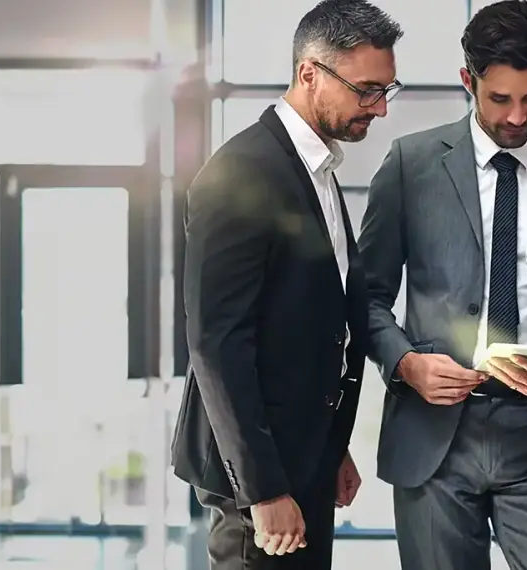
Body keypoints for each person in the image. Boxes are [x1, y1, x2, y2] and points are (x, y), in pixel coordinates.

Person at [357, 1, 527, 568]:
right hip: (434, 434)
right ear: (469, 81)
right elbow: (366, 297)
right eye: (500, 98)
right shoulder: (410, 164)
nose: (517, 116)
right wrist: (406, 363)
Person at [169, 1, 403, 568]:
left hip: (305, 459)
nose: (379, 108)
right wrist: (263, 489)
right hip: (259, 480)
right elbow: (217, 343)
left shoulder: (315, 170)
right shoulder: (240, 173)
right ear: (309, 73)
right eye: (366, 91)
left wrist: (331, 445)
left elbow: (314, 322)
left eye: (386, 91)